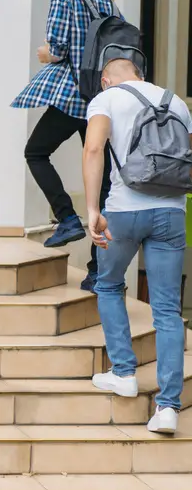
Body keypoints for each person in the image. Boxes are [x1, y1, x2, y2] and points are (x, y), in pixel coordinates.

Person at [83, 58, 191, 434]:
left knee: (109, 284)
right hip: (172, 214)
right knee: (166, 309)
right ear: (141, 74)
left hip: (124, 211)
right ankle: (168, 408)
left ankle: (124, 372)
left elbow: (94, 149)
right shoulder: (175, 101)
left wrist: (93, 209)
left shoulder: (107, 99)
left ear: (105, 79)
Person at [13, 0, 116, 292]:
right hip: (100, 98)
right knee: (102, 181)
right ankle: (97, 270)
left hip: (72, 95)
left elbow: (57, 48)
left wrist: (45, 53)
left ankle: (68, 218)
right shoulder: (106, 1)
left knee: (35, 151)